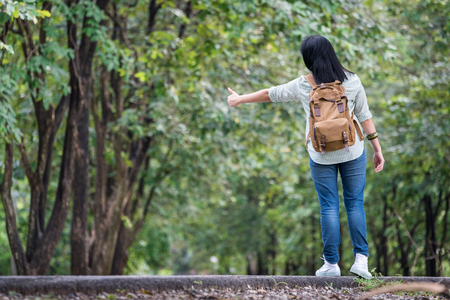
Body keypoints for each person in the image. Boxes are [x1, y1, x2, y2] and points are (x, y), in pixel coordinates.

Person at [226, 35, 384, 279]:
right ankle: (361, 261)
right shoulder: (352, 81)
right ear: (331, 53)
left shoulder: (303, 85)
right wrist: (377, 148)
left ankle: (331, 264)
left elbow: (271, 93)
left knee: (329, 206)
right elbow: (365, 116)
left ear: (308, 59)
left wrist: (240, 99)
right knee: (354, 203)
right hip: (352, 151)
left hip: (320, 154)